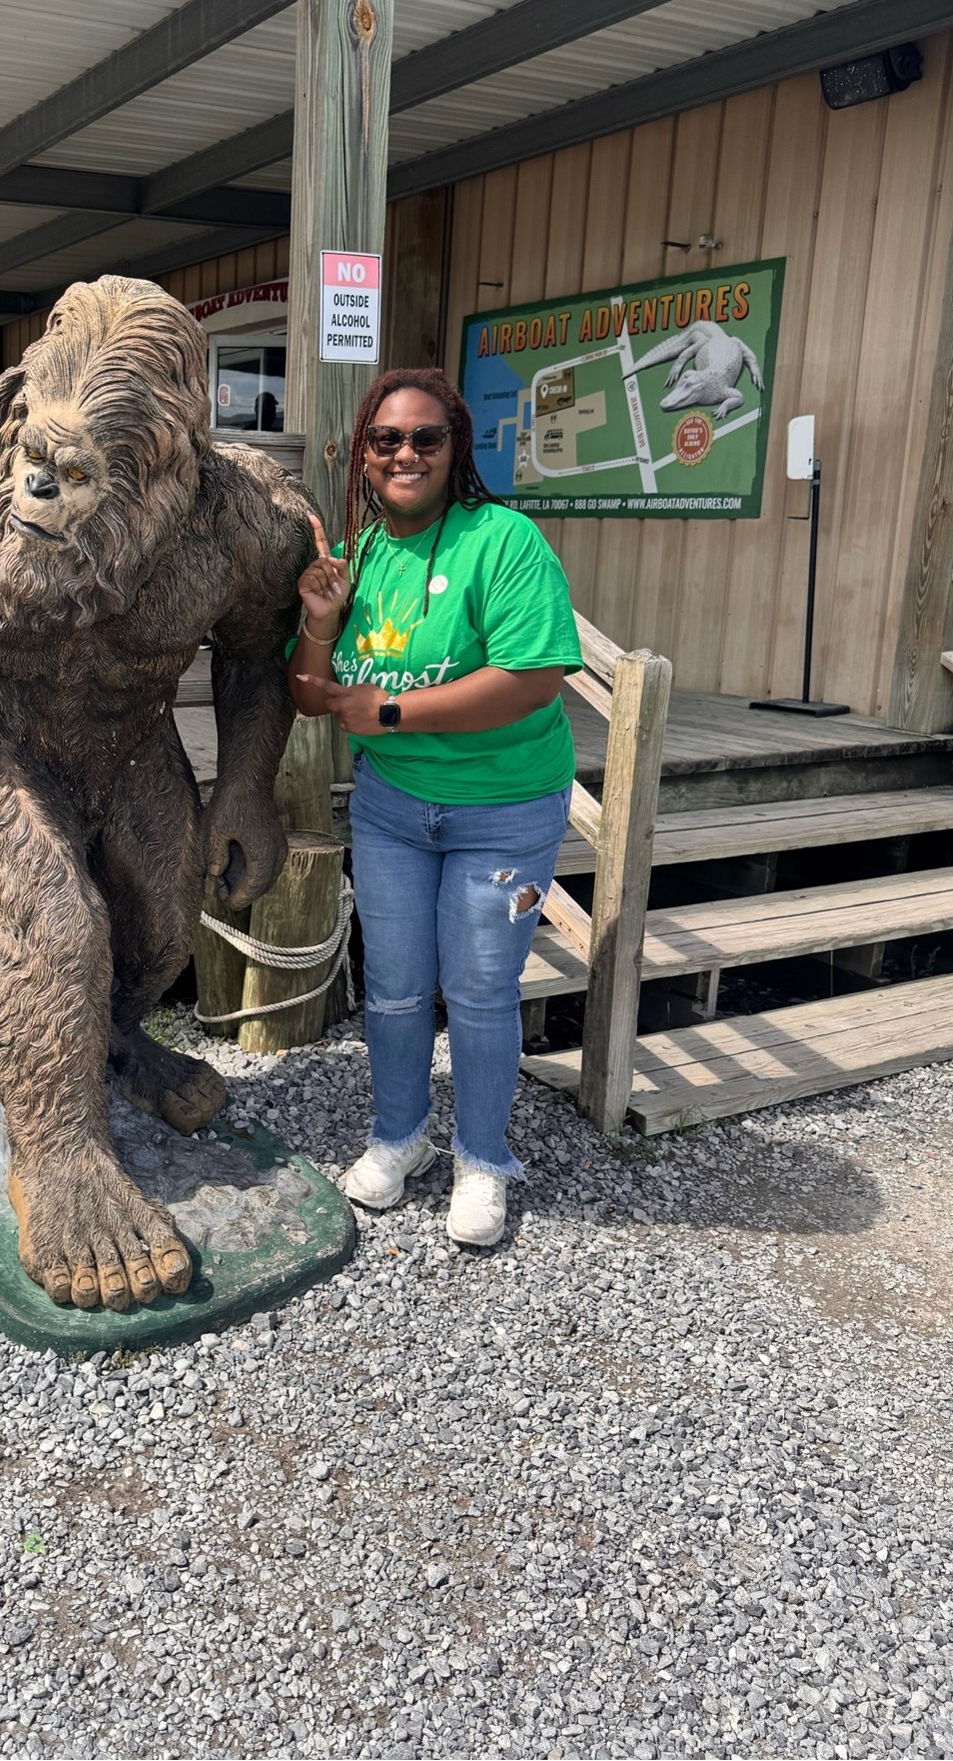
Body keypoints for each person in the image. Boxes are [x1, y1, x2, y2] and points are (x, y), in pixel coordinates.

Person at [291, 367, 582, 1247]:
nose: (406, 453)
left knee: (483, 990)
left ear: (456, 449)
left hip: (505, 808)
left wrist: (390, 711)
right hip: (392, 810)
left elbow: (532, 679)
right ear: (364, 455)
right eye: (387, 440)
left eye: (427, 437)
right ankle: (399, 1137)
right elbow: (309, 695)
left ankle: (483, 1158)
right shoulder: (360, 557)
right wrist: (319, 621)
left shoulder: (504, 540)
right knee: (394, 988)